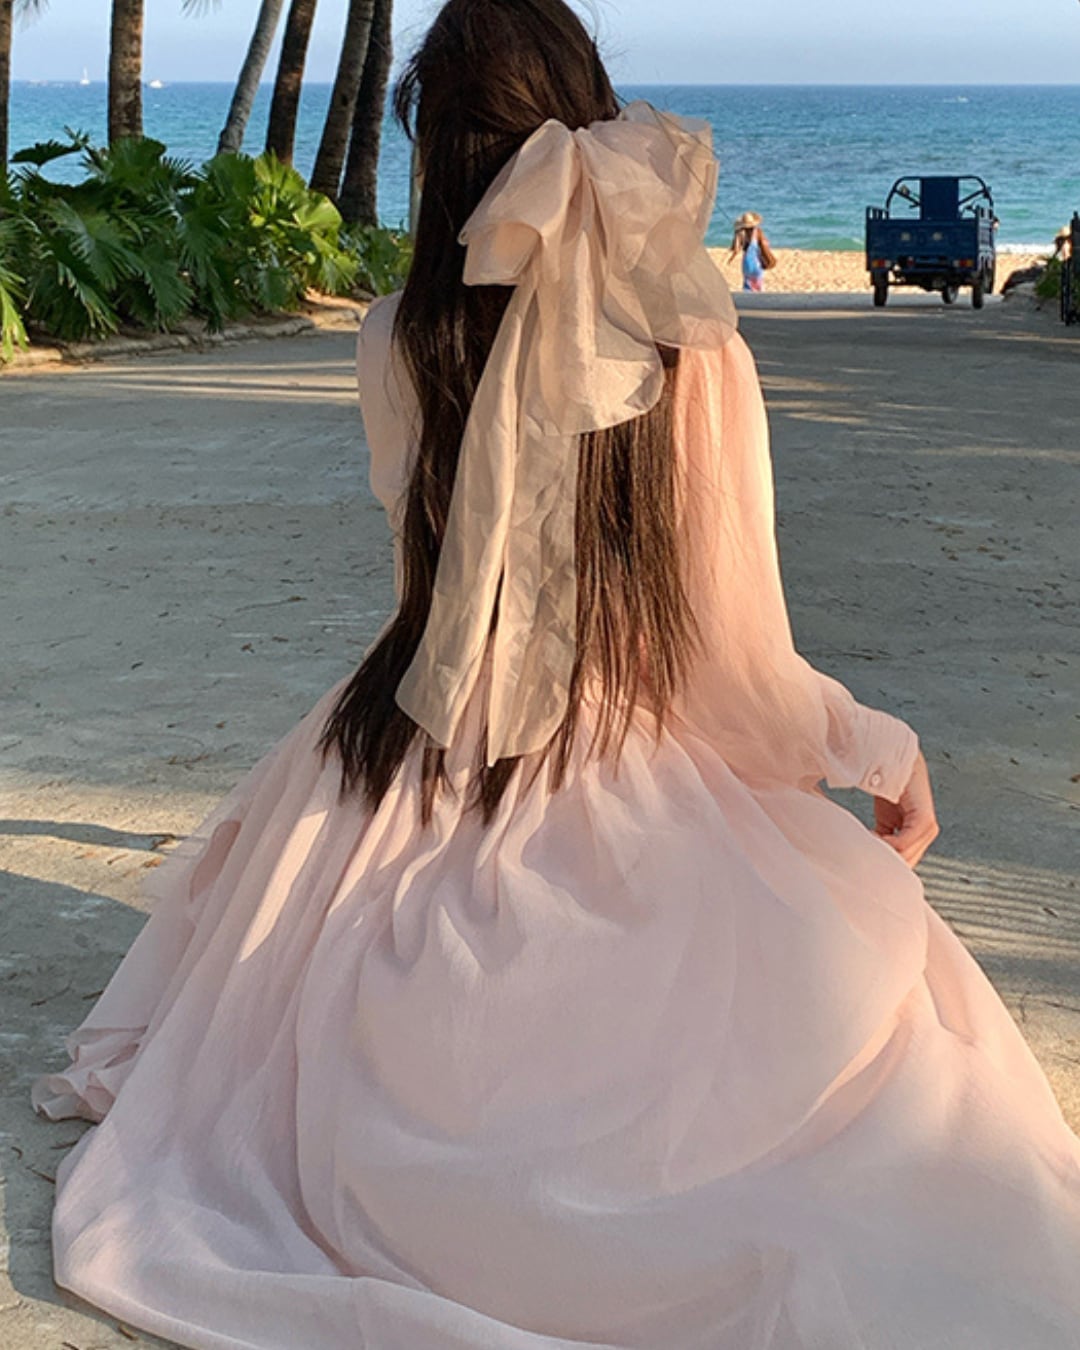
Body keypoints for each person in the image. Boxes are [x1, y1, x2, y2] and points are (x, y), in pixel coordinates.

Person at [33, 2, 1080, 1347]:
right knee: (871, 1059)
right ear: (587, 119)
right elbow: (732, 661)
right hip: (619, 750)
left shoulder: (394, 333)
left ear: (439, 160)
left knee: (278, 1032)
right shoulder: (695, 347)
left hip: (415, 742)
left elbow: (431, 598)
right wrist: (872, 743)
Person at [728, 209, 772, 291]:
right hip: (757, 261)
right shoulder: (758, 231)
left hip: (747, 262)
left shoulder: (740, 233)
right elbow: (765, 243)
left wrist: (731, 259)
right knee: (759, 284)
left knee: (747, 284)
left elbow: (736, 249)